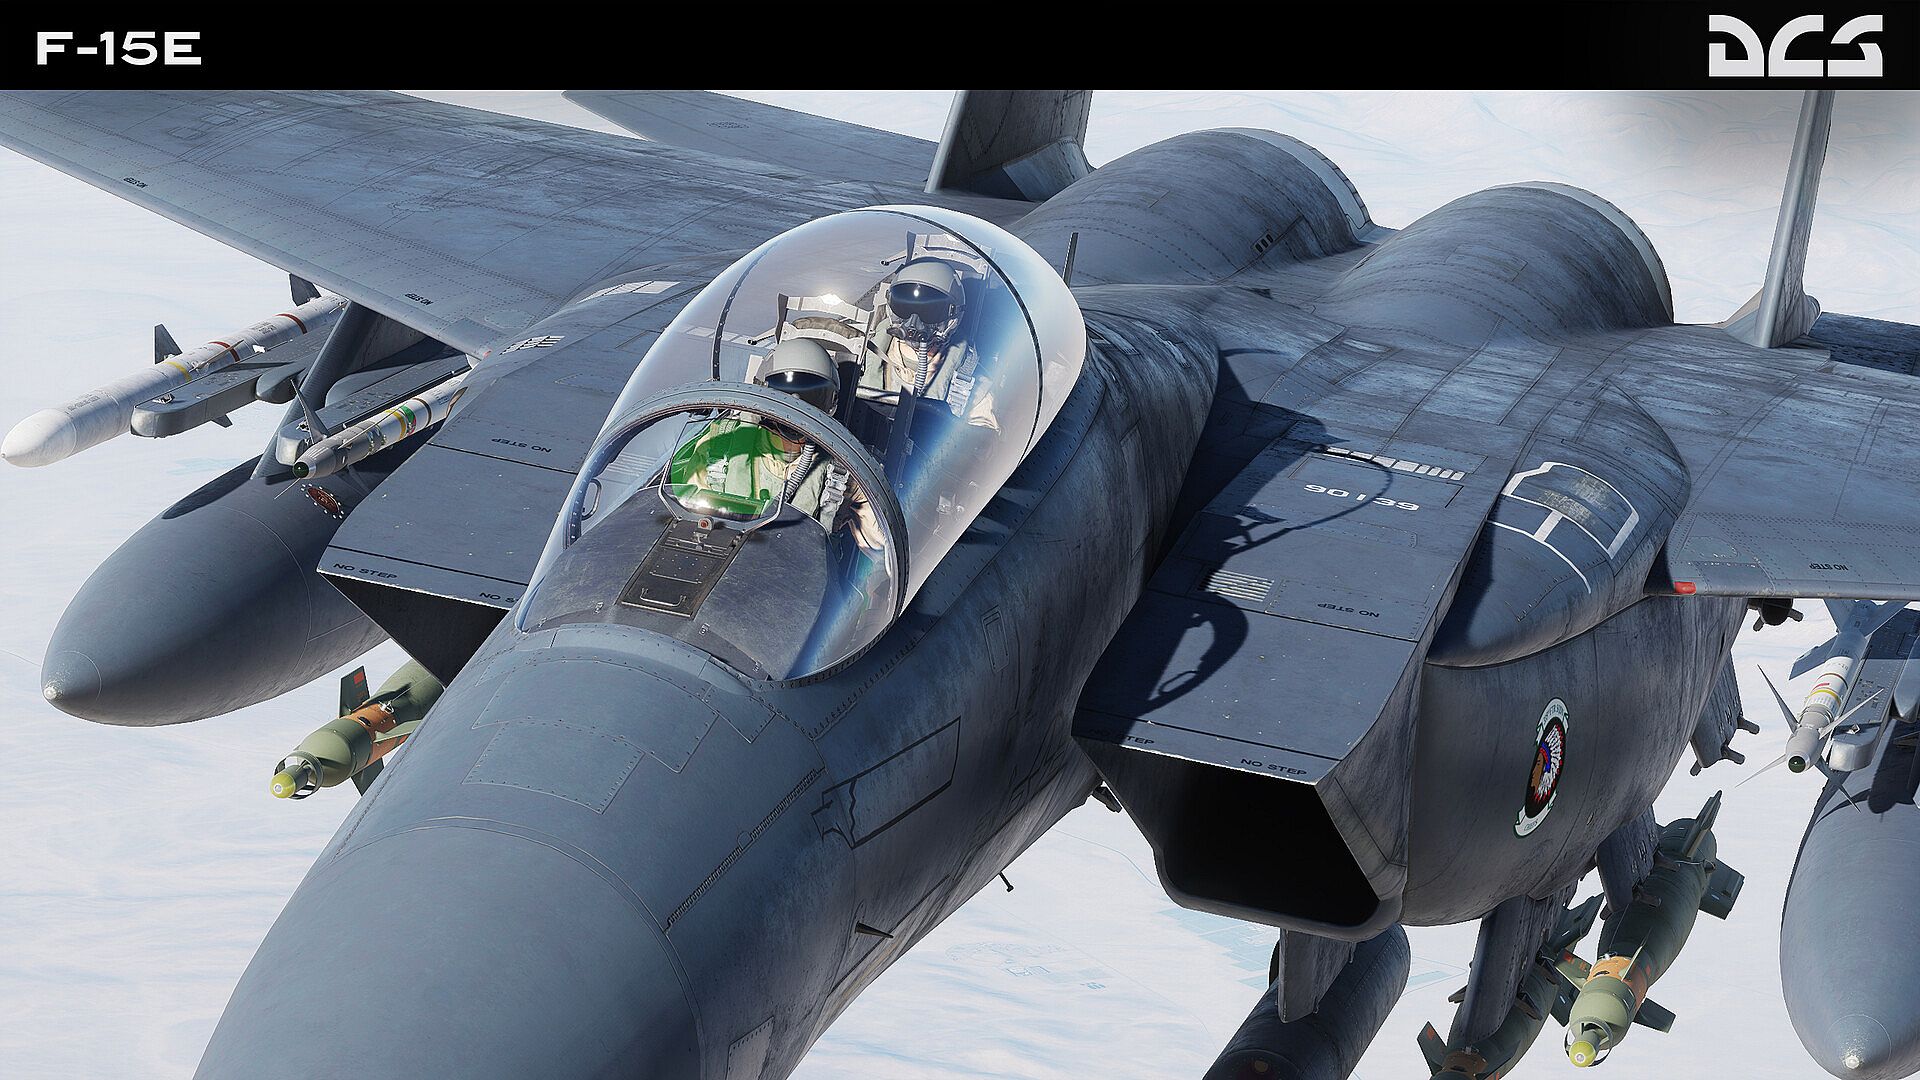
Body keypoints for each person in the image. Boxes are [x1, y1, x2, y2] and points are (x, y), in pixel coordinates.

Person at [667, 338, 883, 551]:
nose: (795, 413)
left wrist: (859, 494)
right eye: (783, 397)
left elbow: (879, 545)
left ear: (830, 404)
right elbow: (680, 521)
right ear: (761, 396)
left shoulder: (843, 468)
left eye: (813, 398)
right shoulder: (719, 446)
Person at [860, 257, 997, 431]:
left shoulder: (971, 384)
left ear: (952, 318)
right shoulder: (860, 355)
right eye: (904, 307)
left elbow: (984, 439)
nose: (913, 322)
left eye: (930, 312)